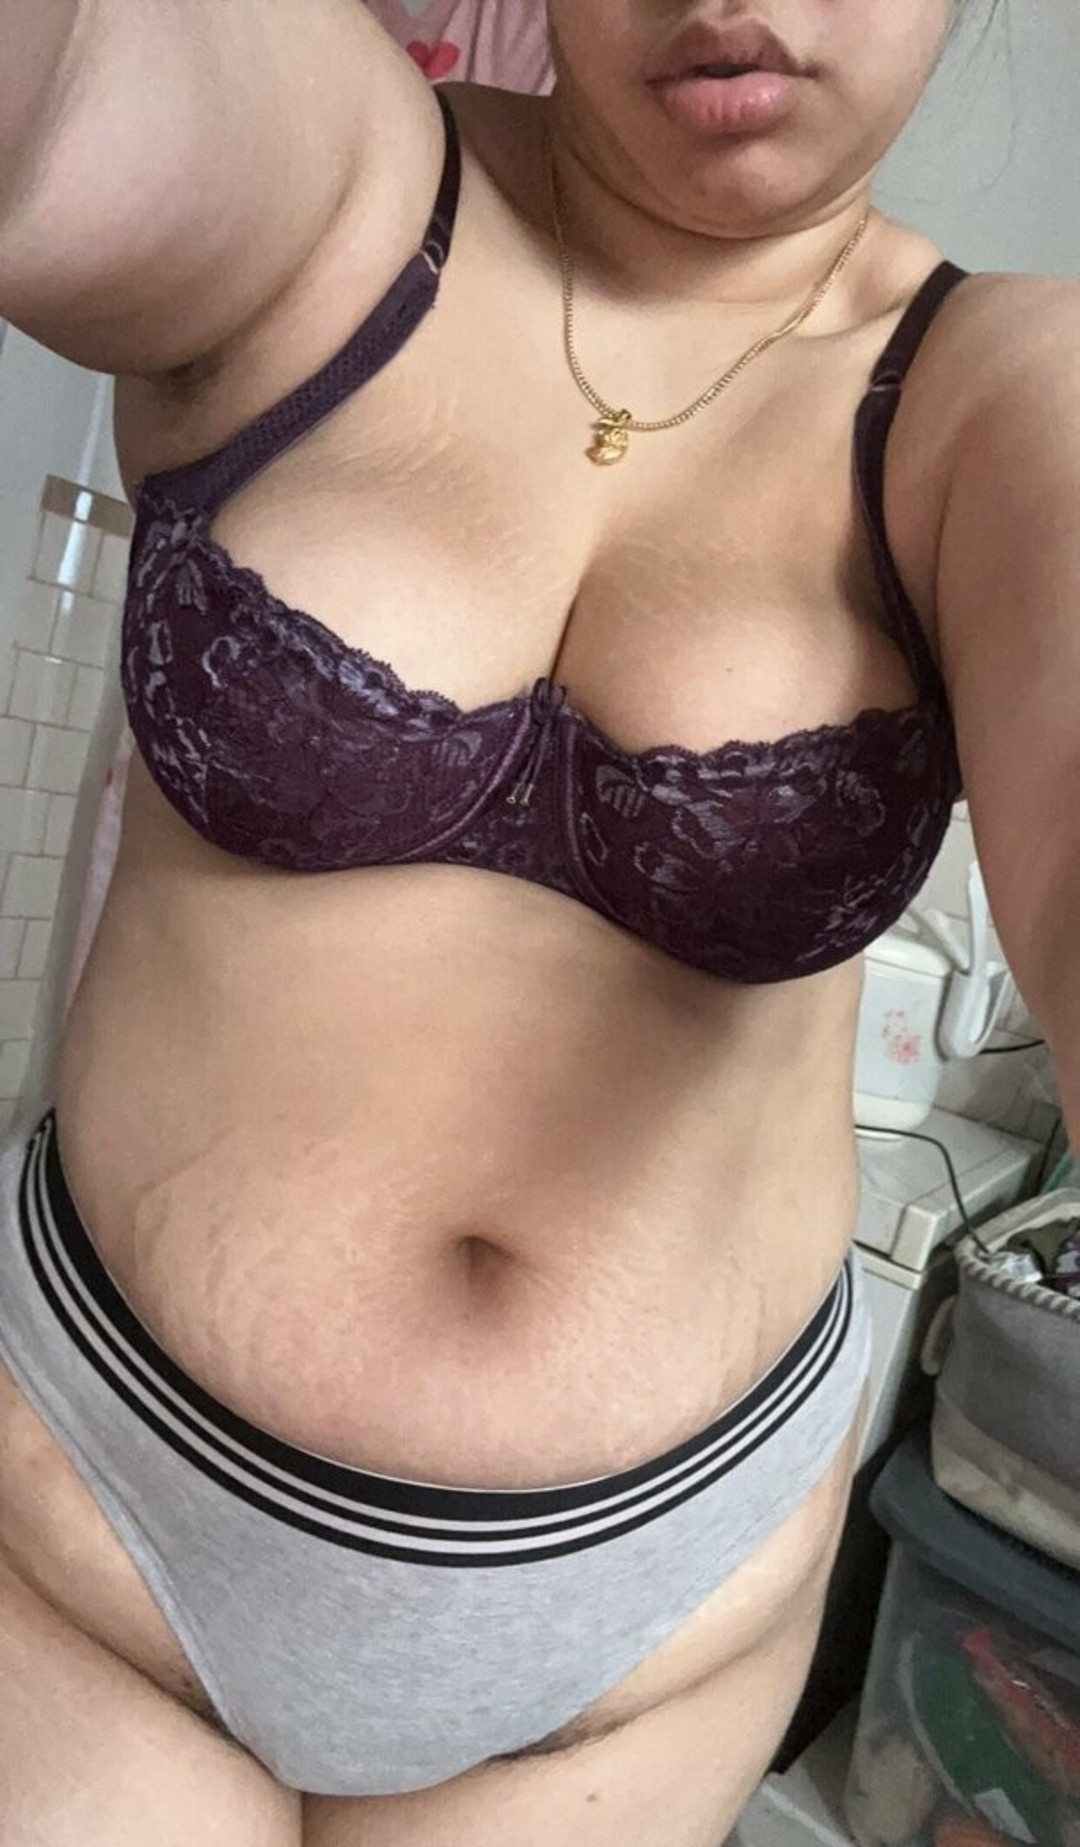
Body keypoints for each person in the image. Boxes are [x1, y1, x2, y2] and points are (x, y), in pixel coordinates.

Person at [0, 3, 1076, 1843]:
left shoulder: (1000, 389)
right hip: (90, 1515)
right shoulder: (333, 193)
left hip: (638, 1628)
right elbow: (70, 84)